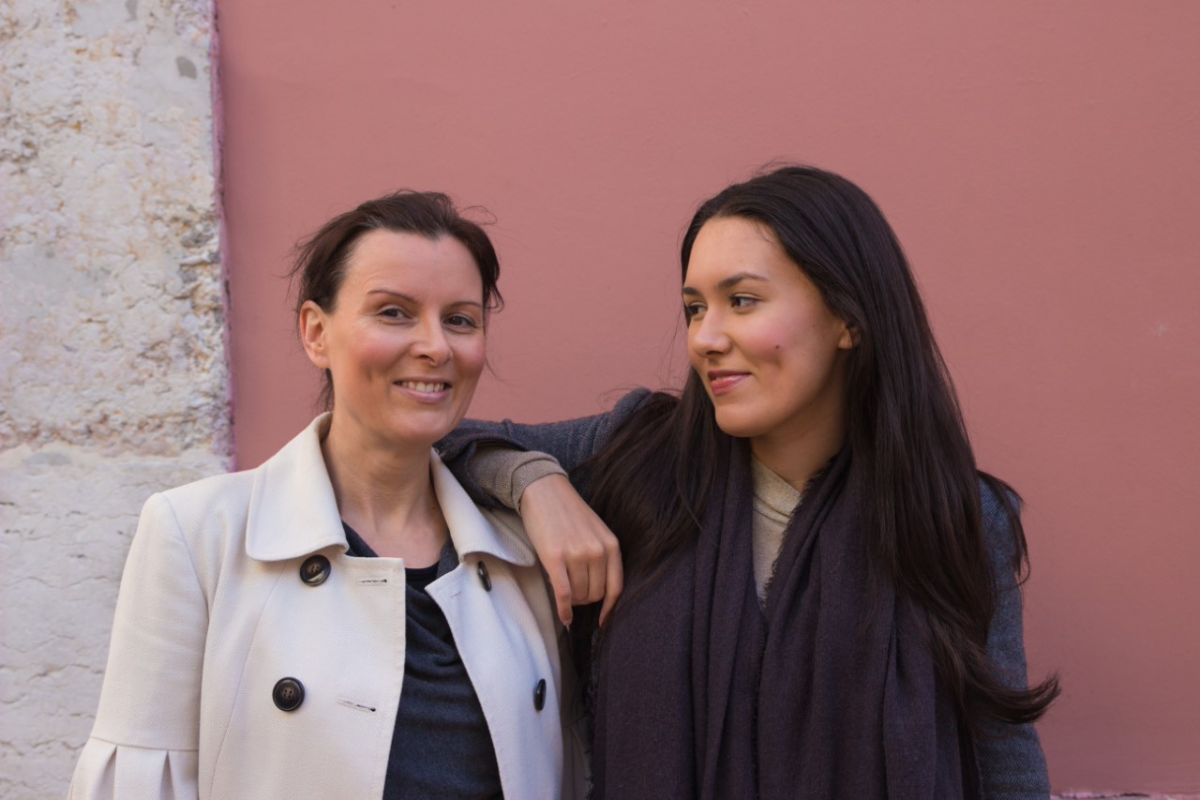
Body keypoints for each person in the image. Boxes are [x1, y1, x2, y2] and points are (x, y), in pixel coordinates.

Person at [439, 166, 1059, 799]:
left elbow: (1003, 754)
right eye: (694, 309)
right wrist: (536, 483)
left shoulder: (953, 516)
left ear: (848, 319)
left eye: (742, 301)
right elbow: (437, 439)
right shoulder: (639, 459)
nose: (705, 339)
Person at [69, 191, 587, 799]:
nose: (436, 346)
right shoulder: (198, 533)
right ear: (317, 333)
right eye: (393, 312)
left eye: (460, 319)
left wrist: (535, 478)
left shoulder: (521, 553)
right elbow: (139, 782)